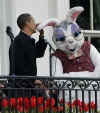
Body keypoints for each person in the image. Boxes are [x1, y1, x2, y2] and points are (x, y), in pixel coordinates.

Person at [9, 13, 47, 97]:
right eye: (33, 21)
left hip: (27, 85)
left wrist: (41, 35)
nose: (35, 24)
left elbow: (38, 53)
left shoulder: (27, 40)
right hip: (21, 87)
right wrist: (32, 80)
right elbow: (19, 66)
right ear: (27, 23)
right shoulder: (19, 41)